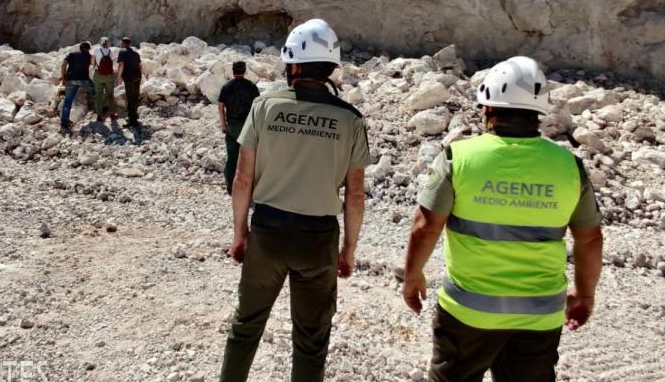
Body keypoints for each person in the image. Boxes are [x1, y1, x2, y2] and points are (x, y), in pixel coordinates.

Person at [401, 56, 604, 382]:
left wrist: (412, 277)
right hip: (539, 315)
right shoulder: (570, 166)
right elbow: (590, 238)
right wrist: (585, 295)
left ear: (488, 107)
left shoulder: (458, 158)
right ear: (538, 111)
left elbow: (426, 227)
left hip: (468, 312)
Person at [220, 19, 373, 382]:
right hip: (318, 239)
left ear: (293, 64)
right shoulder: (351, 119)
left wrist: (240, 234)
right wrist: (348, 249)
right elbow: (354, 195)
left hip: (268, 232)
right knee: (311, 339)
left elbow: (242, 179)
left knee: (246, 325)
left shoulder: (265, 106)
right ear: (330, 67)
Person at [218, 61, 260, 195]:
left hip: (232, 125)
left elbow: (220, 106)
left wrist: (223, 124)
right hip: (248, 125)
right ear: (245, 71)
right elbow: (257, 107)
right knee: (249, 157)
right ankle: (249, 188)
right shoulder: (252, 87)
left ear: (232, 71)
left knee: (232, 156)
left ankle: (231, 187)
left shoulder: (226, 86)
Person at [59, 42, 96, 132]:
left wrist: (63, 78)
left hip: (70, 79)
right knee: (95, 93)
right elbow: (93, 65)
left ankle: (64, 123)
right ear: (88, 49)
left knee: (68, 100)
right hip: (84, 79)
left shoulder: (71, 55)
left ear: (80, 48)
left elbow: (63, 65)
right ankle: (100, 113)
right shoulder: (90, 56)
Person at [116, 37, 143, 128]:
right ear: (130, 44)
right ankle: (134, 116)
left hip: (129, 77)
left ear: (123, 43)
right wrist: (141, 77)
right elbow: (140, 66)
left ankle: (132, 121)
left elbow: (121, 64)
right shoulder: (136, 53)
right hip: (137, 76)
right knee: (135, 97)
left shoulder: (122, 52)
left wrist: (119, 76)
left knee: (130, 98)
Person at [92, 37, 118, 123]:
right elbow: (113, 63)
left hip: (98, 74)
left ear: (100, 42)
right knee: (110, 95)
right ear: (108, 43)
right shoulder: (111, 51)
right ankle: (112, 114)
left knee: (98, 95)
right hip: (109, 75)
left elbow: (92, 62)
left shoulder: (96, 50)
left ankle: (99, 115)